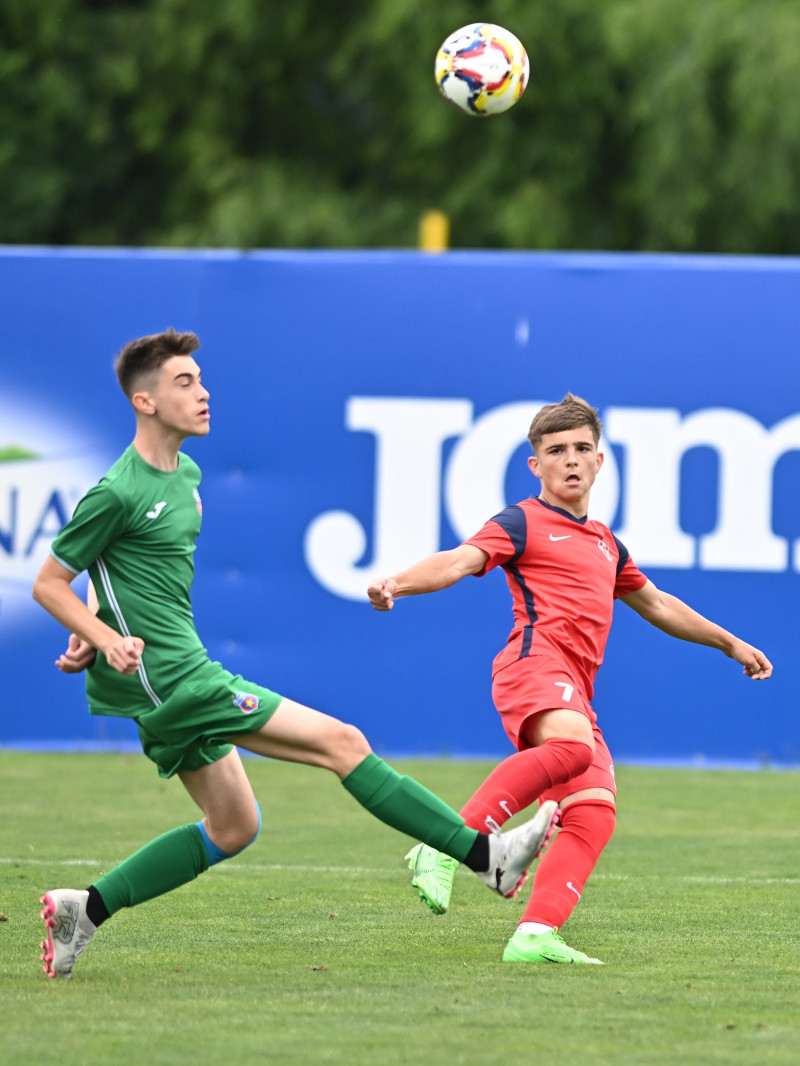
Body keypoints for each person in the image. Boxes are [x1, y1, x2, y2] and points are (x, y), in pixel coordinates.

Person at [32, 328, 558, 980]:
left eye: (200, 379)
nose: (203, 392)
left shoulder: (186, 475)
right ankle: (487, 859)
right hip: (171, 677)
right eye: (184, 383)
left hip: (164, 673)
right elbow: (50, 581)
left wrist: (94, 624)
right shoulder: (118, 490)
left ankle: (85, 910)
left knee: (233, 827)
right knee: (343, 741)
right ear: (144, 402)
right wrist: (104, 634)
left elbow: (113, 570)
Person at [367, 393, 772, 965]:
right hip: (533, 664)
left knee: (593, 808)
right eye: (557, 450)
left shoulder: (606, 542)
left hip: (573, 687)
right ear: (536, 465)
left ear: (601, 461)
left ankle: (535, 934)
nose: (572, 459)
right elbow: (459, 560)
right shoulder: (522, 521)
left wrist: (730, 642)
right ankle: (446, 842)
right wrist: (397, 584)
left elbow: (656, 605)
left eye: (583, 448)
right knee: (573, 750)